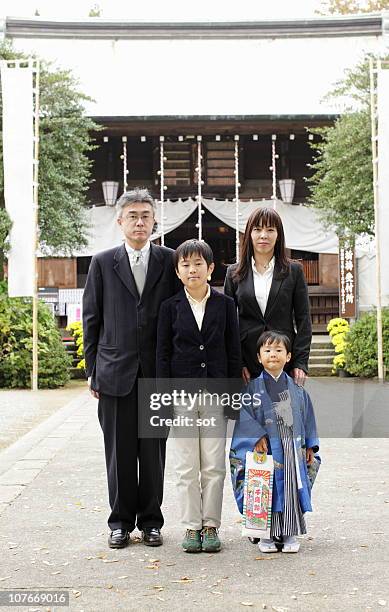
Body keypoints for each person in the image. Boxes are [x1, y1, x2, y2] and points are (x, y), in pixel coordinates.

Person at [82, 188, 178, 549]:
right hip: (114, 372)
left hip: (157, 374)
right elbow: (91, 319)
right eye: (133, 216)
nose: (140, 222)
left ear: (154, 221)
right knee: (119, 453)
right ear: (120, 221)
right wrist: (94, 369)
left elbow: (178, 317)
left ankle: (152, 521)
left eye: (146, 216)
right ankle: (119, 522)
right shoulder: (103, 262)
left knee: (153, 452)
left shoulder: (170, 261)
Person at [156, 239, 241, 553]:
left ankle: (211, 526)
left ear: (210, 268)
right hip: (181, 396)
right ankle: (191, 527)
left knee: (214, 465)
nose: (192, 270)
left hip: (216, 394)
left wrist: (234, 398)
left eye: (198, 264)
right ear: (178, 272)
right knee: (186, 465)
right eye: (185, 265)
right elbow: (162, 355)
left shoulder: (225, 305)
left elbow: (233, 352)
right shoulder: (170, 308)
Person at [230, 330, 319, 554]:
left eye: (279, 350)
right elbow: (244, 415)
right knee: (264, 489)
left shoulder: (297, 391)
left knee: (289, 490)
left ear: (288, 356)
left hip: (290, 448)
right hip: (266, 449)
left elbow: (307, 417)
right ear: (258, 357)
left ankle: (289, 534)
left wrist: (309, 445)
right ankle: (265, 536)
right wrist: (256, 436)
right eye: (267, 350)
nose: (273, 355)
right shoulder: (251, 389)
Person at [224, 206, 312, 388]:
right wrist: (238, 363)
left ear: (278, 235)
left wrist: (300, 363)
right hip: (248, 362)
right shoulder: (233, 273)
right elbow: (228, 323)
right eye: (257, 229)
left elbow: (303, 319)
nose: (263, 235)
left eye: (270, 229)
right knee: (250, 415)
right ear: (249, 234)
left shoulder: (293, 271)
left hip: (283, 360)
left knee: (284, 414)